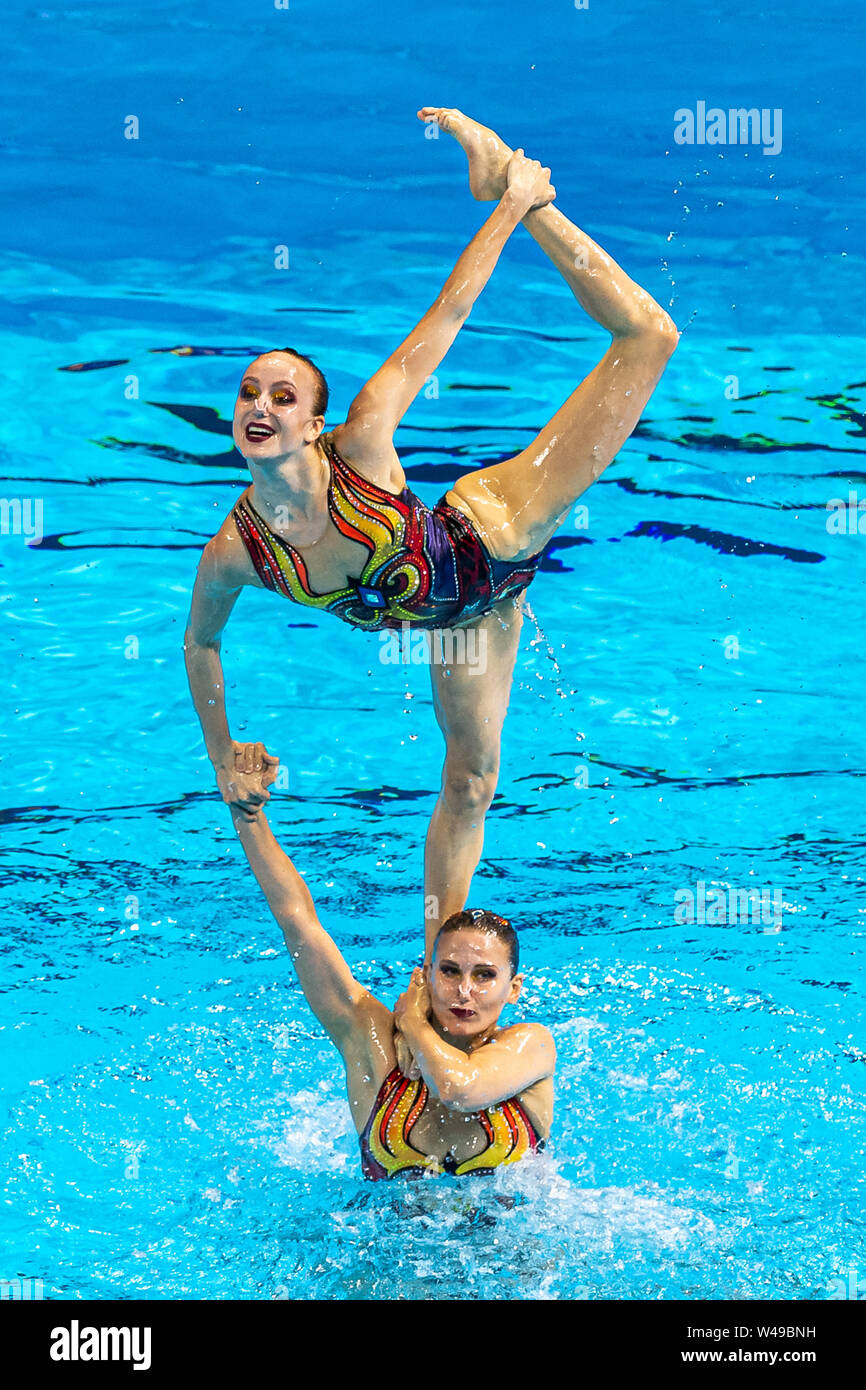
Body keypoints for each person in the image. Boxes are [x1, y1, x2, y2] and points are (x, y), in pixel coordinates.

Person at [184, 109, 678, 958]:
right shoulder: (238, 552)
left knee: (650, 336)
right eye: (249, 393)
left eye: (282, 397)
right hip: (470, 619)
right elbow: (200, 643)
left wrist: (513, 203)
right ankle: (433, 969)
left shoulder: (363, 441)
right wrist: (223, 751)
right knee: (472, 780)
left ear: (315, 424)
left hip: (499, 528)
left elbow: (450, 313)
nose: (259, 407)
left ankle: (524, 191)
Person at [227, 748, 555, 1180]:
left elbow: (459, 1088)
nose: (464, 991)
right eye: (450, 971)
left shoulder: (530, 1047)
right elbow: (298, 923)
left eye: (485, 976)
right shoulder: (374, 1045)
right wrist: (248, 816)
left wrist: (414, 1023)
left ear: (514, 989)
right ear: (427, 976)